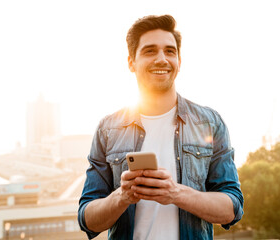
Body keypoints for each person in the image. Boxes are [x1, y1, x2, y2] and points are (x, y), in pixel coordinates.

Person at [78, 14, 243, 240]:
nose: (162, 59)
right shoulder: (108, 129)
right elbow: (87, 220)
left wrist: (175, 193)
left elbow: (232, 208)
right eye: (150, 51)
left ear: (179, 61)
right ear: (131, 63)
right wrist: (121, 197)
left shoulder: (210, 123)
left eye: (170, 51)